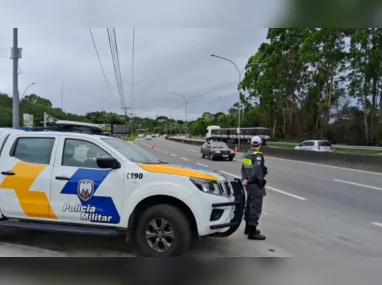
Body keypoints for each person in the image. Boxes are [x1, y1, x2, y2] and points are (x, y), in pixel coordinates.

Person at [241, 135, 268, 240]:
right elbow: (256, 171)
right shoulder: (257, 156)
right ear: (259, 144)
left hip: (248, 185)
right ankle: (252, 232)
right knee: (255, 207)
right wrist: (250, 180)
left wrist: (244, 179)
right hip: (255, 184)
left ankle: (247, 228)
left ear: (251, 143)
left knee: (249, 205)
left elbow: (243, 169)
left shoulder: (246, 154)